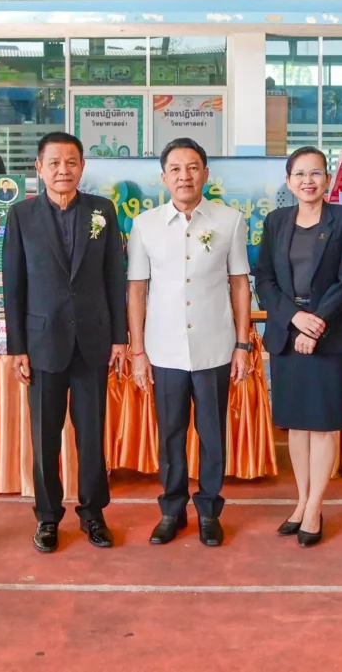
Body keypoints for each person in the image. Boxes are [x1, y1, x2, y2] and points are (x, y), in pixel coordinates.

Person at [3, 132, 127, 553]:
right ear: (39, 168)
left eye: (71, 162)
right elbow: (14, 285)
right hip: (42, 343)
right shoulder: (21, 215)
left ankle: (93, 514)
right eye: (54, 162)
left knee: (92, 436)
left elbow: (114, 277)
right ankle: (47, 516)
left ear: (82, 167)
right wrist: (17, 347)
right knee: (45, 437)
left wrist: (120, 337)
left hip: (93, 341)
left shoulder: (102, 211)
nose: (63, 170)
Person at [128, 138, 251, 548]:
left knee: (213, 433)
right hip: (163, 350)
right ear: (164, 177)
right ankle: (172, 510)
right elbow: (137, 291)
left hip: (215, 347)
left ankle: (210, 510)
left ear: (205, 174)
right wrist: (138, 352)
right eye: (176, 169)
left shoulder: (230, 220)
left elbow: (239, 284)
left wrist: (242, 345)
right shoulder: (144, 225)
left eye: (193, 167)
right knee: (171, 433)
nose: (185, 176)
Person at [254, 146, 342, 548]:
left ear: (327, 180)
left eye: (316, 173)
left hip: (330, 336)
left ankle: (315, 507)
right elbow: (264, 278)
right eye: (300, 174)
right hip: (288, 334)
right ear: (288, 181)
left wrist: (315, 324)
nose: (308, 181)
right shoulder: (276, 221)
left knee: (324, 424)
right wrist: (294, 319)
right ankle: (301, 501)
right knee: (297, 425)